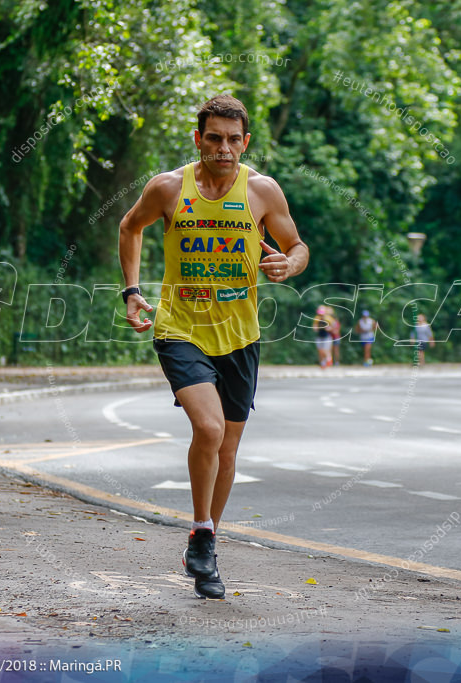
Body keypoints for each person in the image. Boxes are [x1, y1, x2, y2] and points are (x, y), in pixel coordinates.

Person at [118, 95, 308, 599]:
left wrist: (290, 265)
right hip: (180, 326)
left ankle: (205, 544)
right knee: (209, 426)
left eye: (233, 139)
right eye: (213, 137)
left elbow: (297, 247)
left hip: (241, 334)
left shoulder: (263, 192)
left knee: (227, 448)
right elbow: (129, 227)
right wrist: (133, 290)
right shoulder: (167, 188)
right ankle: (202, 529)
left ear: (245, 143)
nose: (223, 148)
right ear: (198, 139)